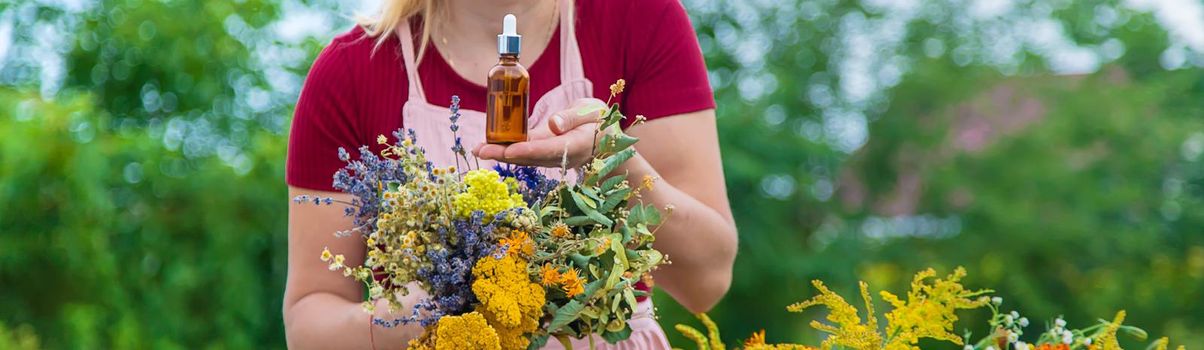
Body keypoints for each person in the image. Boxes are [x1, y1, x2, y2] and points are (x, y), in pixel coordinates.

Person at [282, 0, 737, 348]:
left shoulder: (640, 19)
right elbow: (309, 322)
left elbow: (706, 283)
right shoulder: (351, 71)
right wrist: (449, 308)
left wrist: (613, 159)